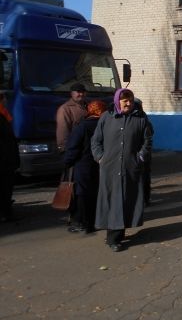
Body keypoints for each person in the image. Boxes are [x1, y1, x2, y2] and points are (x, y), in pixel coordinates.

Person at [91, 88, 153, 252]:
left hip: (130, 167)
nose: (128, 103)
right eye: (125, 100)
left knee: (125, 201)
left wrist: (140, 157)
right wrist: (100, 157)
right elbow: (96, 141)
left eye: (130, 100)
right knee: (112, 200)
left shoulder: (140, 119)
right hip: (109, 167)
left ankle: (115, 236)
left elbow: (147, 141)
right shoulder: (106, 117)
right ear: (117, 101)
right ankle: (114, 237)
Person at [63, 100, 106, 233]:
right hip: (101, 164)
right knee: (96, 193)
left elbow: (73, 147)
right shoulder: (106, 125)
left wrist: (67, 162)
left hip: (83, 165)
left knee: (82, 195)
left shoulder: (82, 126)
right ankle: (96, 221)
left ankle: (82, 223)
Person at [0, 92, 19, 222]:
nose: (6, 101)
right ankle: (5, 213)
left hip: (6, 159)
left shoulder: (4, 114)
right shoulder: (2, 116)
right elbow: (8, 140)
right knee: (5, 188)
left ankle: (6, 212)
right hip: (4, 160)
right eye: (5, 99)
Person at [56, 83, 88, 153]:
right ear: (71, 93)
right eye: (78, 92)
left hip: (87, 148)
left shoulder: (90, 106)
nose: (81, 94)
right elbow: (63, 131)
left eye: (83, 92)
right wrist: (64, 148)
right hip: (74, 148)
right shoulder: (65, 109)